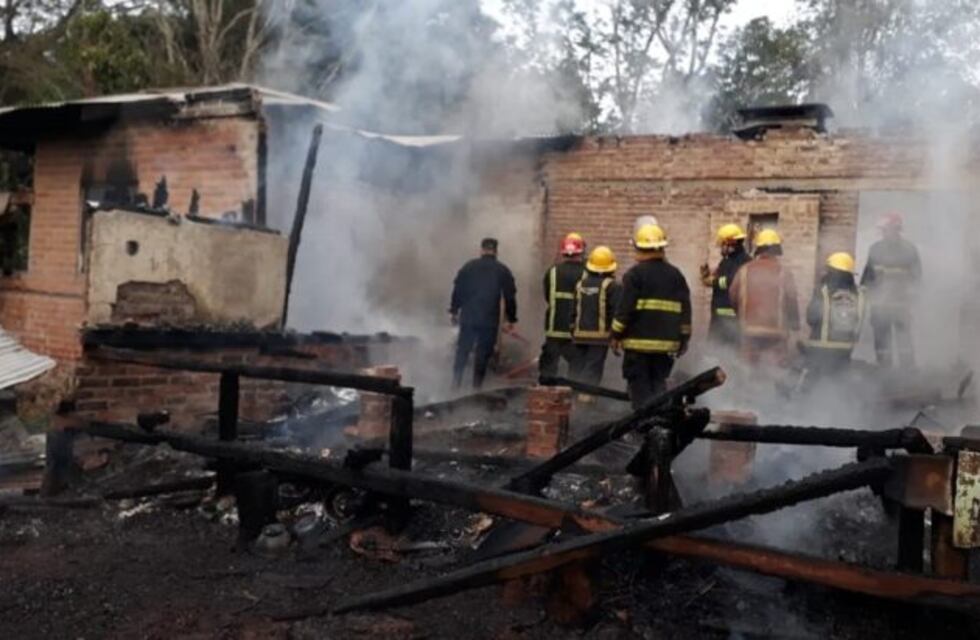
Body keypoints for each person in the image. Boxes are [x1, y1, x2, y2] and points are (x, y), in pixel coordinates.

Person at [611, 224, 691, 409]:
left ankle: (644, 424)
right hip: (666, 348)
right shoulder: (676, 275)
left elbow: (625, 310)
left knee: (640, 392)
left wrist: (615, 335)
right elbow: (685, 309)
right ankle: (659, 422)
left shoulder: (634, 275)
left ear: (638, 248)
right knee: (658, 389)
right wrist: (684, 339)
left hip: (637, 348)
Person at [449, 237, 518, 389]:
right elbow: (510, 296)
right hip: (489, 320)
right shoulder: (502, 270)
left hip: (468, 317)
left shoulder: (469, 267)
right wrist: (511, 319)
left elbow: (458, 290)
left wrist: (454, 310)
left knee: (463, 350)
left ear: (481, 250)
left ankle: (455, 384)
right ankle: (476, 387)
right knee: (483, 353)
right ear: (496, 251)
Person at [729, 229, 800, 367]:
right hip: (776, 333)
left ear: (758, 249)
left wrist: (741, 315)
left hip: (749, 331)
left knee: (748, 368)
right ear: (777, 250)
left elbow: (733, 295)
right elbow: (791, 299)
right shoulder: (784, 272)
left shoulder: (744, 270)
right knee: (774, 370)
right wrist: (794, 324)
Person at [860, 212, 921, 368]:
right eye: (883, 230)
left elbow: (916, 278)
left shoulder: (908, 250)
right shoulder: (876, 249)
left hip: (899, 305)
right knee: (882, 341)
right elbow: (868, 276)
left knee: (903, 340)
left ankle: (906, 371)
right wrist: (864, 294)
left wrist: (912, 297)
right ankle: (885, 370)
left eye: (886, 229)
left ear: (896, 229)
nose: (884, 233)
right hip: (881, 305)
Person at [804, 252, 865, 375]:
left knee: (817, 383)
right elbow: (861, 321)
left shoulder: (823, 291)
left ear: (832, 271)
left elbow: (811, 318)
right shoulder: (859, 295)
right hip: (845, 349)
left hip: (820, 348)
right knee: (838, 381)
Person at [570, 245, 622, 388]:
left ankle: (573, 394)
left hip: (579, 336)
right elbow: (617, 311)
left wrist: (572, 330)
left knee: (579, 368)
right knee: (593, 370)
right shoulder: (612, 286)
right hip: (599, 338)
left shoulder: (580, 284)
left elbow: (572, 310)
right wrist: (616, 336)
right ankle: (585, 398)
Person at [539, 232, 586, 378]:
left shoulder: (552, 271)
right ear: (581, 252)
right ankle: (574, 389)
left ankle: (545, 389)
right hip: (575, 331)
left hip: (554, 328)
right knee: (577, 367)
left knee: (549, 366)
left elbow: (548, 296)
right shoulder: (586, 273)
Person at [700, 223, 751, 348]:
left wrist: (714, 282)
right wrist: (708, 275)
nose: (721, 247)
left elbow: (733, 280)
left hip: (731, 320)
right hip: (720, 318)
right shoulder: (728, 260)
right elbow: (721, 276)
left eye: (723, 244)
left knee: (728, 353)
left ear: (731, 243)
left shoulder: (743, 260)